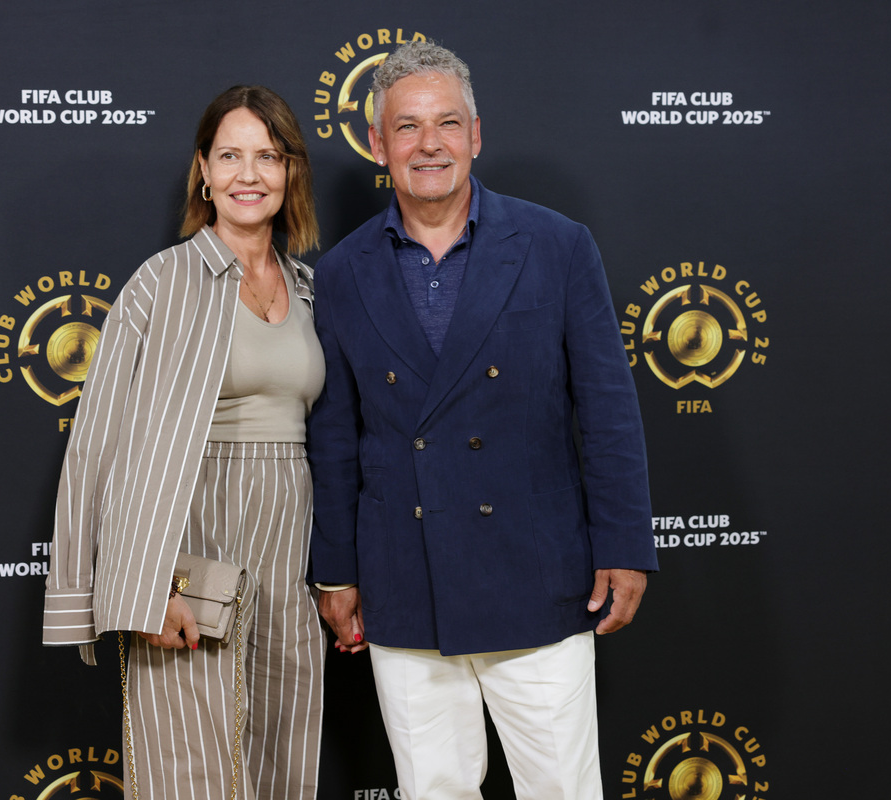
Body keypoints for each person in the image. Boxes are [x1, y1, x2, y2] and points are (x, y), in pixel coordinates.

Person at [307, 42, 658, 800]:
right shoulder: (339, 273)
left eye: (446, 124)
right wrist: (335, 571)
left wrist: (625, 544)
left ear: (475, 135)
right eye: (407, 126)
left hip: (539, 575)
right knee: (434, 790)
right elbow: (334, 438)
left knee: (562, 790)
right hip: (404, 579)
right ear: (377, 143)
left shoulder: (558, 246)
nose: (428, 144)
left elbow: (607, 410)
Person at [43, 85, 326, 800]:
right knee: (190, 777)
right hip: (191, 554)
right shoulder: (159, 285)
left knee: (280, 769)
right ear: (203, 170)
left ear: (291, 172)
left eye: (267, 156)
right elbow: (98, 446)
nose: (248, 174)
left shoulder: (313, 289)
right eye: (229, 156)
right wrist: (145, 585)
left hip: (288, 560)